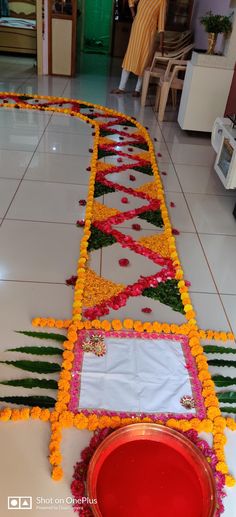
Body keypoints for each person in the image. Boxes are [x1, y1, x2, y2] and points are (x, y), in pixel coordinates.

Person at [112, 0, 167, 97]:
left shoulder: (162, 1)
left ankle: (137, 90)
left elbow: (161, 24)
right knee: (130, 55)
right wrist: (134, 14)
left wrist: (161, 43)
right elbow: (131, 1)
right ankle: (121, 87)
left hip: (148, 34)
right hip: (136, 29)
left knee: (144, 60)